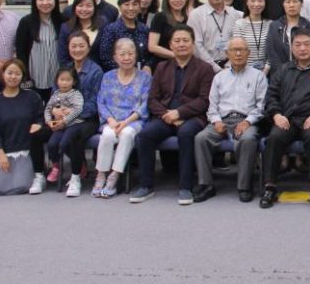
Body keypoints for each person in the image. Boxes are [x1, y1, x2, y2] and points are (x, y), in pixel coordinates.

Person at [130, 25, 215, 205]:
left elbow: (204, 100)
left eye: (185, 40)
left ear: (193, 44)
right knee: (145, 135)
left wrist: (179, 113)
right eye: (177, 41)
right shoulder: (162, 67)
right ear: (170, 45)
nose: (181, 44)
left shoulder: (204, 68)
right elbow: (152, 99)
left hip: (193, 117)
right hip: (166, 116)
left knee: (186, 133)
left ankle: (185, 187)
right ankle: (146, 185)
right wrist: (167, 114)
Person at [260, 28, 310, 210]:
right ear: (291, 47)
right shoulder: (283, 70)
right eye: (298, 45)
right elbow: (271, 97)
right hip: (287, 119)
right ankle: (269, 185)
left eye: (306, 44)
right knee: (275, 137)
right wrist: (276, 114)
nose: (302, 48)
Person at [192, 36, 267, 203]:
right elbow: (212, 105)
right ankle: (206, 185)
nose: (238, 54)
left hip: (246, 120)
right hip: (223, 120)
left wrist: (247, 121)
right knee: (201, 138)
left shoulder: (258, 76)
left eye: (242, 50)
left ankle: (244, 186)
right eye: (234, 50)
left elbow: (261, 106)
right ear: (227, 53)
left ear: (248, 53)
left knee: (248, 139)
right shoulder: (219, 77)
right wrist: (216, 121)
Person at [92, 38, 151, 199]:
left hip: (134, 121)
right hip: (111, 120)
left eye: (130, 54)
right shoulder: (108, 77)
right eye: (122, 54)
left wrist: (126, 122)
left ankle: (114, 176)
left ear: (136, 55)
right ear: (115, 57)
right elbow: (101, 102)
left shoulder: (145, 78)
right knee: (107, 134)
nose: (126, 58)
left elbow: (145, 105)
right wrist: (111, 120)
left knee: (126, 134)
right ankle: (101, 174)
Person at [0, 59, 48, 195]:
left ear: (22, 76)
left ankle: (38, 173)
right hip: (5, 151)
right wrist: (0, 153)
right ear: (3, 74)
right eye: (10, 73)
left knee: (23, 185)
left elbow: (41, 117)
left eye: (17, 74)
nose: (13, 77)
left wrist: (39, 124)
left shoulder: (32, 96)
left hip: (27, 151)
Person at [62, 31, 104, 197]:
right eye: (73, 46)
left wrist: (74, 113)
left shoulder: (96, 71)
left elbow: (95, 102)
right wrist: (57, 110)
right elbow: (56, 94)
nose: (77, 49)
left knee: (73, 137)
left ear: (88, 48)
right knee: (55, 140)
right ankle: (80, 165)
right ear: (68, 48)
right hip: (66, 117)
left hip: (89, 118)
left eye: (81, 46)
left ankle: (75, 177)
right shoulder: (65, 69)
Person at [15, 0, 62, 101]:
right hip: (34, 79)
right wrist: (25, 77)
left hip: (58, 79)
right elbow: (21, 51)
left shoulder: (63, 21)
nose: (45, 2)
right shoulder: (26, 22)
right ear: (35, 1)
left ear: (55, 0)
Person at [187, 0, 243, 73]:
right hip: (204, 68)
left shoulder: (236, 15)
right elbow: (197, 46)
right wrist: (217, 69)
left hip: (232, 67)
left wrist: (229, 66)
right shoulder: (196, 15)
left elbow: (240, 41)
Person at [42, 67, 84, 190]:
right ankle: (56, 166)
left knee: (65, 143)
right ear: (57, 81)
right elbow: (48, 109)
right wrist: (49, 121)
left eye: (68, 80)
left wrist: (65, 120)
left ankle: (79, 164)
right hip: (58, 126)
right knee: (52, 144)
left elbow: (78, 110)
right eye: (62, 80)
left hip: (73, 124)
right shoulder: (55, 94)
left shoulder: (76, 94)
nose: (64, 83)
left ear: (74, 81)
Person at [98, 0, 151, 71]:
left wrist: (148, 65)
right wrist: (127, 70)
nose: (131, 8)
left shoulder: (145, 29)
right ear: (119, 6)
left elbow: (151, 54)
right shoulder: (111, 29)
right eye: (126, 4)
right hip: (119, 75)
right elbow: (105, 57)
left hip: (142, 75)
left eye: (135, 4)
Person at [266, 0, 309, 72]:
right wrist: (282, 72)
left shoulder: (308, 25)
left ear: (301, 3)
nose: (291, 5)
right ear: (283, 4)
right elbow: (271, 51)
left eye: (295, 1)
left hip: (304, 72)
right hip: (280, 73)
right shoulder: (274, 26)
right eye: (288, 2)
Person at [148, 0, 189, 71]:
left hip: (184, 67)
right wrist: (176, 55)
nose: (177, 0)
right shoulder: (159, 17)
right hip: (163, 67)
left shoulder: (189, 19)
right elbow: (152, 46)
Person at [57, 0, 104, 67]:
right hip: (73, 71)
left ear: (94, 8)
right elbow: (63, 58)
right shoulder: (66, 28)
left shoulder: (102, 25)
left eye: (89, 6)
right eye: (80, 5)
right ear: (74, 7)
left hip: (98, 71)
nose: (84, 9)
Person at [232, 0, 270, 71]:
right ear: (247, 2)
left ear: (265, 2)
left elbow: (273, 51)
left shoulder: (271, 24)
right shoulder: (239, 25)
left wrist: (265, 72)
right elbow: (238, 51)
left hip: (267, 72)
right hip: (244, 71)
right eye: (252, 1)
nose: (256, 4)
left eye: (260, 1)